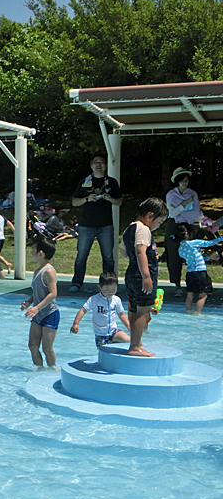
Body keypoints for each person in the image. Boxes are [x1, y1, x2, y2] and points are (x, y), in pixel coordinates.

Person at [69, 152, 123, 293]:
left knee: (108, 257)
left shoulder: (111, 182)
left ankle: (108, 284)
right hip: (86, 225)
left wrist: (110, 198)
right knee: (81, 255)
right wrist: (87, 198)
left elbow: (119, 201)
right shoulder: (84, 181)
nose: (98, 165)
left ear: (105, 165)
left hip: (105, 225)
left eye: (101, 162)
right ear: (91, 165)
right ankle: (76, 283)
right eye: (95, 162)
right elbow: (74, 202)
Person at [122, 197, 168, 357]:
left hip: (131, 274)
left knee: (135, 308)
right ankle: (134, 347)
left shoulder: (129, 229)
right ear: (150, 216)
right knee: (143, 310)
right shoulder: (143, 229)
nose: (158, 225)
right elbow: (141, 251)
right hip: (142, 274)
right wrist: (146, 276)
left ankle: (136, 342)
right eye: (159, 222)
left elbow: (123, 253)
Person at [21, 235, 59, 369]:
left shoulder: (49, 271)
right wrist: (29, 302)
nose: (31, 252)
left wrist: (36, 307)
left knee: (47, 349)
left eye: (33, 249)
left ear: (40, 253)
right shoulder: (37, 271)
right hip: (38, 314)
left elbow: (53, 293)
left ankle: (53, 369)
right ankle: (40, 370)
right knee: (32, 346)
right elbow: (37, 290)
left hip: (50, 313)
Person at [165, 167, 201, 298]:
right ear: (177, 182)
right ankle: (177, 286)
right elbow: (171, 213)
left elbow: (196, 214)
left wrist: (180, 210)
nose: (185, 183)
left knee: (192, 256)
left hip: (188, 228)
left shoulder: (193, 193)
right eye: (182, 181)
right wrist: (185, 204)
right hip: (174, 227)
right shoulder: (170, 195)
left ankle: (193, 283)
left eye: (186, 180)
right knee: (174, 257)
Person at [70, 272, 131, 347]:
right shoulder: (94, 299)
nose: (110, 291)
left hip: (114, 331)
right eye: (107, 289)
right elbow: (83, 310)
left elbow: (121, 314)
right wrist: (76, 323)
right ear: (100, 287)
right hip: (101, 335)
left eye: (113, 289)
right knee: (105, 354)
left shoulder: (116, 300)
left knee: (129, 340)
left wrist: (128, 325)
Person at [174, 223, 223, 315]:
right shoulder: (193, 243)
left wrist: (209, 258)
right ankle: (197, 312)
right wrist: (221, 238)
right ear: (186, 234)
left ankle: (188, 311)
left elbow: (194, 258)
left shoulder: (180, 249)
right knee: (203, 295)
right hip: (200, 273)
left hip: (190, 274)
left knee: (190, 294)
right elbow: (210, 243)